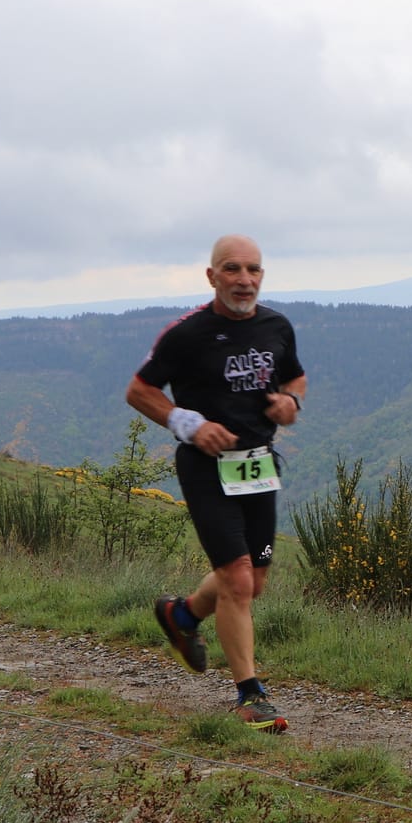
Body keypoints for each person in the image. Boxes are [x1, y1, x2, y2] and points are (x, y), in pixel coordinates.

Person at [126, 234, 307, 731]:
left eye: (253, 270)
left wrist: (291, 404)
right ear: (211, 277)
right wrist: (188, 424)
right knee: (236, 579)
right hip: (207, 468)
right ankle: (250, 695)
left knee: (255, 581)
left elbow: (295, 378)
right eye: (232, 269)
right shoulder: (186, 334)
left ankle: (183, 616)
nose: (244, 280)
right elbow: (139, 391)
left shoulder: (277, 326)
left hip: (258, 464)